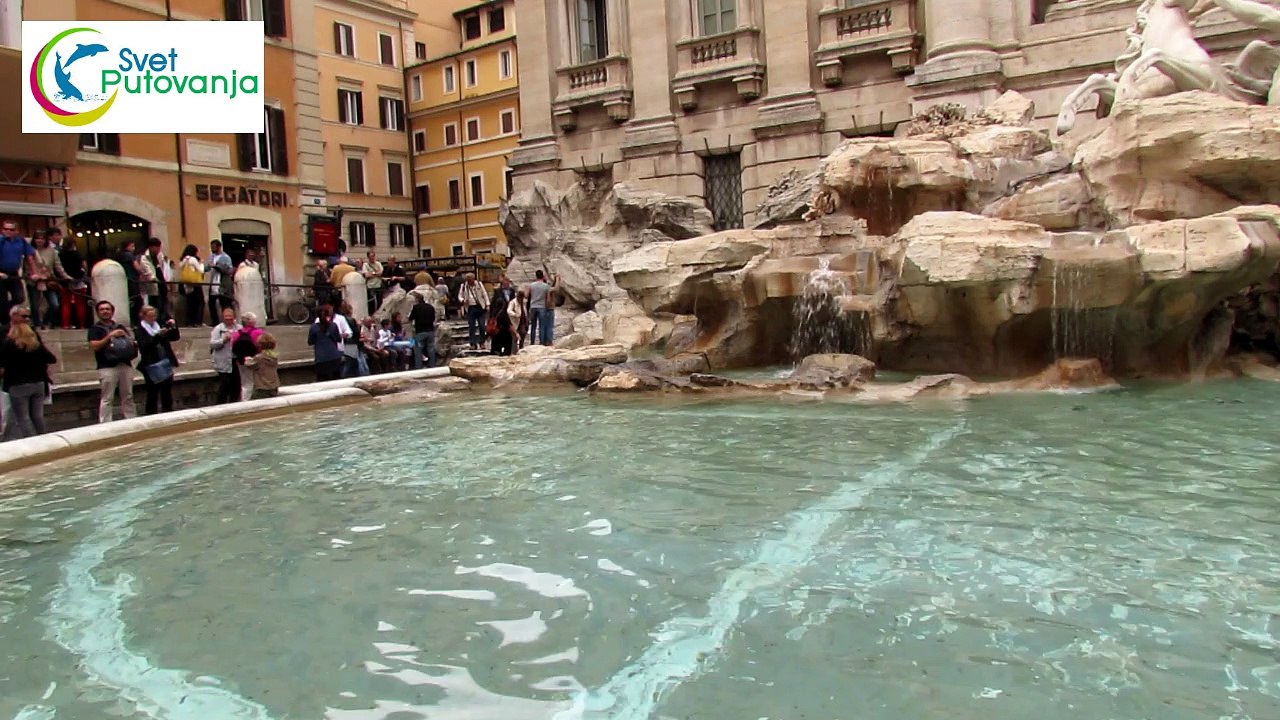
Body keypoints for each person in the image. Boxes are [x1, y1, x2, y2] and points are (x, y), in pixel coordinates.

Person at [0, 306, 56, 438]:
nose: (27, 319)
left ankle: (31, 441)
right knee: (36, 416)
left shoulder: (10, 343)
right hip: (37, 382)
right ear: (13, 316)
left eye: (28, 317)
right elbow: (51, 358)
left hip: (17, 383)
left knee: (23, 417)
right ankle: (43, 440)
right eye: (24, 316)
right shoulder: (32, 340)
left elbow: (3, 359)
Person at [86, 300, 137, 423]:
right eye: (102, 309)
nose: (105, 311)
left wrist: (128, 338)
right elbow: (94, 346)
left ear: (112, 312)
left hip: (125, 364)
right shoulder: (94, 329)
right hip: (107, 366)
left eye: (107, 309)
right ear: (97, 312)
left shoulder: (120, 327)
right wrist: (109, 336)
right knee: (107, 397)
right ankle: (105, 423)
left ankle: (132, 420)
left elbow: (131, 342)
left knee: (128, 395)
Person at [135, 305, 180, 415]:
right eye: (150, 316)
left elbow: (175, 337)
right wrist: (158, 336)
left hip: (165, 361)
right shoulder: (139, 329)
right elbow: (145, 345)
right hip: (151, 363)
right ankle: (151, 413)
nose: (153, 318)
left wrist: (173, 326)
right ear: (143, 316)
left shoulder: (159, 325)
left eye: (154, 316)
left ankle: (168, 411)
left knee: (167, 390)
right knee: (152, 391)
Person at [26, 231, 70, 329]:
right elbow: (26, 266)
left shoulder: (52, 251)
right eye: (37, 238)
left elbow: (58, 266)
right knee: (35, 305)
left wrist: (65, 276)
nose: (39, 240)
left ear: (46, 240)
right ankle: (37, 324)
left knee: (55, 305)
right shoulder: (29, 251)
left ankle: (45, 322)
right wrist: (31, 275)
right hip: (33, 281)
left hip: (48, 280)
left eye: (42, 238)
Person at [52, 228, 89, 329]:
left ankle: (65, 324)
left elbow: (57, 267)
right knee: (80, 304)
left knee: (65, 304)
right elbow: (84, 266)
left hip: (65, 281)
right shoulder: (78, 254)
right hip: (78, 279)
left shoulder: (60, 255)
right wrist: (84, 275)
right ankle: (82, 325)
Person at [0, 220, 35, 320]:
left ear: (16, 231)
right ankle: (5, 322)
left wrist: (34, 273)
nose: (8, 231)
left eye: (11, 229)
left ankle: (6, 313)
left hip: (13, 273)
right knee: (2, 300)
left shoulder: (21, 241)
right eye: (6, 229)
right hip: (1, 273)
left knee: (19, 297)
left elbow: (29, 257)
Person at [209, 307, 241, 404]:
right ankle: (220, 404)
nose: (228, 319)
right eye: (226, 317)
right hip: (222, 360)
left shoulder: (239, 328)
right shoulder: (218, 329)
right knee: (225, 384)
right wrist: (223, 340)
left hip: (235, 360)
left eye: (230, 317)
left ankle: (234, 403)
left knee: (236, 385)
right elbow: (212, 344)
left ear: (234, 317)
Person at [231, 312, 263, 401]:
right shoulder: (258, 332)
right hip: (255, 360)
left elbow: (233, 347)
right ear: (252, 322)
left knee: (244, 383)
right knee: (254, 382)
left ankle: (243, 399)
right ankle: (250, 401)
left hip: (240, 361)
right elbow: (262, 346)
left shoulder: (236, 334)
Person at [139, 237, 171, 321]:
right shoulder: (144, 258)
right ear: (150, 247)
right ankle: (156, 320)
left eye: (159, 247)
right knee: (155, 304)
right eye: (156, 247)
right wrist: (153, 278)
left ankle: (163, 319)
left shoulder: (160, 255)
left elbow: (163, 268)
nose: (158, 250)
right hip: (153, 284)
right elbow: (147, 271)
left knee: (164, 303)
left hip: (162, 282)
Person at [308, 304, 344, 381]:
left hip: (321, 358)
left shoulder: (314, 327)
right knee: (337, 380)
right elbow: (339, 339)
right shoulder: (333, 325)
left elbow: (310, 342)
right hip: (334, 356)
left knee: (323, 381)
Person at [244, 332, 280, 399]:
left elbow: (249, 365)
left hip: (262, 387)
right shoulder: (274, 357)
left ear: (260, 345)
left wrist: (247, 360)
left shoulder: (259, 358)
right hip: (274, 386)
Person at [207, 239, 235, 325]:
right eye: (211, 247)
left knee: (224, 302)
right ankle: (214, 321)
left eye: (213, 247)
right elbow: (207, 267)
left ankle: (226, 320)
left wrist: (217, 266)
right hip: (213, 282)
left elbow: (230, 270)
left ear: (219, 247)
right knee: (211, 302)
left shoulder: (226, 257)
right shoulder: (211, 257)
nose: (212, 249)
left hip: (222, 282)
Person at [458, 272, 489, 350]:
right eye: (468, 280)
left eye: (471, 280)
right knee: (472, 326)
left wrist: (487, 304)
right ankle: (473, 343)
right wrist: (462, 300)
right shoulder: (464, 286)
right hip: (470, 308)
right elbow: (460, 295)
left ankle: (482, 342)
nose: (470, 281)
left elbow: (484, 294)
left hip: (480, 306)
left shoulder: (479, 284)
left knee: (482, 326)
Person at [177, 244, 206, 327]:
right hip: (195, 283)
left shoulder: (183, 260)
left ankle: (190, 322)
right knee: (200, 302)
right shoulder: (193, 259)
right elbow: (200, 270)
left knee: (190, 303)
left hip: (187, 285)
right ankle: (198, 321)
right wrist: (202, 264)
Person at [528, 269, 558, 346]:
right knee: (542, 325)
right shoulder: (546, 286)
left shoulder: (531, 285)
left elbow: (528, 295)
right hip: (541, 306)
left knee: (533, 326)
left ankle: (532, 342)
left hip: (533, 306)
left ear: (536, 276)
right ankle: (541, 343)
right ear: (542, 276)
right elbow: (548, 299)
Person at [116, 239, 144, 323]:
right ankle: (136, 320)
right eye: (132, 246)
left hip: (124, 280)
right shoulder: (129, 255)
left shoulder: (119, 255)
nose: (133, 248)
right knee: (137, 300)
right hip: (132, 280)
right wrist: (142, 272)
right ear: (127, 246)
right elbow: (137, 267)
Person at [409, 292, 438, 368]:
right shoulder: (430, 307)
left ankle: (419, 366)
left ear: (417, 300)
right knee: (431, 349)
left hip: (420, 331)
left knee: (418, 349)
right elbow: (433, 318)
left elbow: (411, 318)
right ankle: (432, 365)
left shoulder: (416, 308)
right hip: (430, 330)